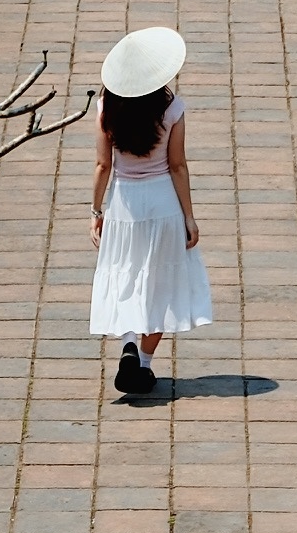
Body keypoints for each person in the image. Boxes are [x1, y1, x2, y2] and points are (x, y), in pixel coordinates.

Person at [88, 23, 212, 399]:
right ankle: (142, 362)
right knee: (160, 282)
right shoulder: (171, 108)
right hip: (162, 204)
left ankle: (127, 342)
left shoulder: (106, 107)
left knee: (125, 275)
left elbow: (103, 166)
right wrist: (189, 216)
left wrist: (96, 210)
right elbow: (177, 165)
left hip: (124, 205)